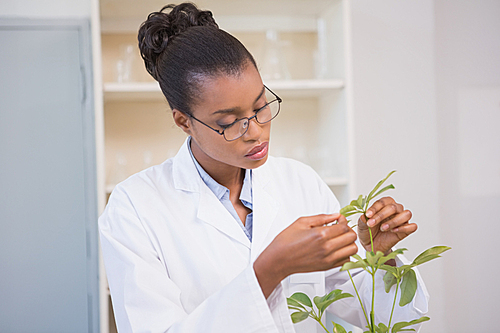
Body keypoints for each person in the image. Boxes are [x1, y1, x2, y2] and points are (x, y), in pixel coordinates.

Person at [99, 3, 429, 333]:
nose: (256, 131)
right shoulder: (135, 209)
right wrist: (269, 270)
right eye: (229, 122)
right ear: (184, 121)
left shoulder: (301, 183)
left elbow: (370, 312)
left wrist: (379, 259)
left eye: (261, 106)